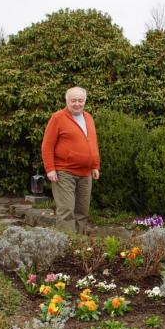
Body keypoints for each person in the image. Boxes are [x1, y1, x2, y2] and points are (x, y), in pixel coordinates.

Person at [41, 86, 100, 234]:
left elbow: (92, 142)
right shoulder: (58, 118)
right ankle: (66, 245)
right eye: (73, 100)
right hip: (64, 172)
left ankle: (78, 245)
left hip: (86, 173)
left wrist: (95, 166)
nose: (77, 104)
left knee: (82, 210)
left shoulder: (88, 117)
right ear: (67, 100)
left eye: (80, 100)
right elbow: (47, 145)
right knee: (66, 210)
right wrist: (50, 169)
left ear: (85, 101)